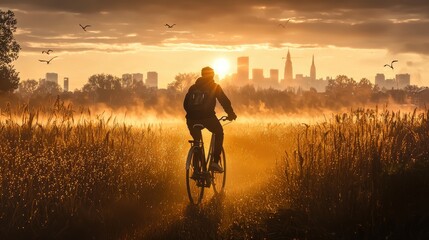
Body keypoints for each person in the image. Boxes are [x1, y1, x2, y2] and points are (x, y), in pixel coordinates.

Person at [183, 66, 237, 172]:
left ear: (202, 75)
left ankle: (196, 168)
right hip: (208, 118)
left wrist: (192, 114)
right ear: (212, 75)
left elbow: (185, 104)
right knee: (219, 132)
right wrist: (231, 114)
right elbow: (224, 101)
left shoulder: (193, 88)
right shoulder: (214, 86)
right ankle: (215, 163)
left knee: (197, 141)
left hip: (191, 120)